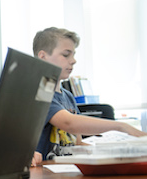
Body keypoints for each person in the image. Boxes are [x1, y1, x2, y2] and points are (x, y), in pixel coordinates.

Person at [32, 27, 147, 164]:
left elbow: (78, 142)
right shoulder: (38, 90)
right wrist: (121, 126)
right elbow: (68, 123)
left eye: (73, 54)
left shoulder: (68, 96)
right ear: (43, 56)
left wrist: (117, 152)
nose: (73, 60)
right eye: (66, 54)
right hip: (46, 174)